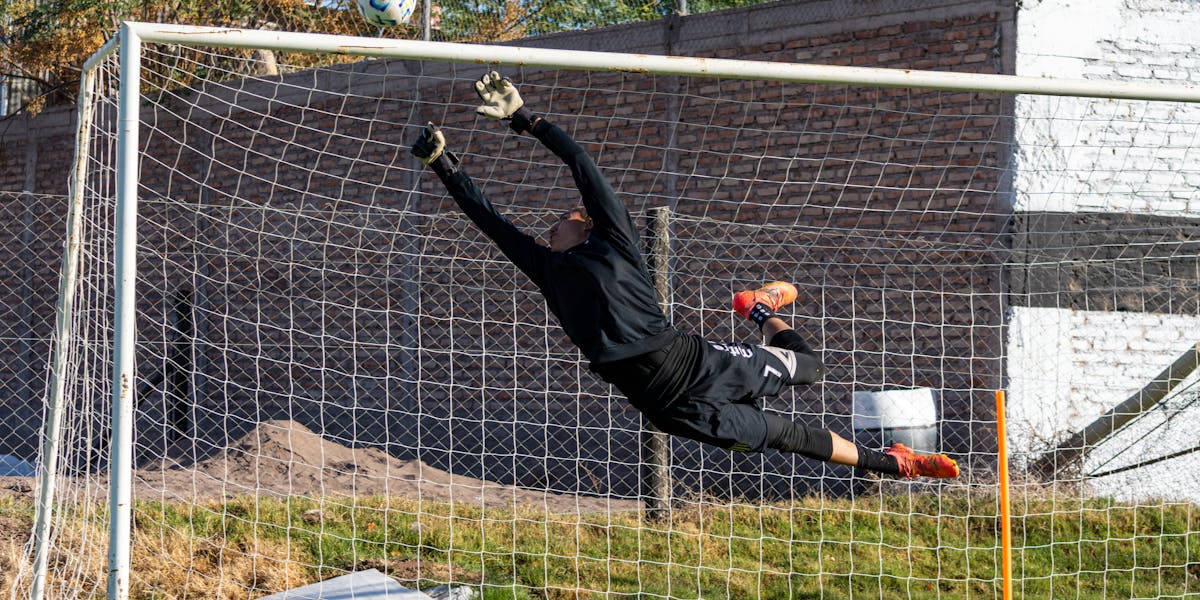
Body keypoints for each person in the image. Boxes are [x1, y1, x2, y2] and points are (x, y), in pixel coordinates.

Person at [409, 71, 958, 480]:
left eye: (561, 222)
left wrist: (525, 121)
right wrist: (445, 165)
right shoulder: (547, 269)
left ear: (585, 224)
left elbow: (583, 165)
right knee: (784, 435)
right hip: (668, 406)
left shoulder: (618, 241)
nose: (548, 229)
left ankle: (758, 308)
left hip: (692, 361)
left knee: (809, 368)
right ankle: (893, 463)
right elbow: (489, 221)